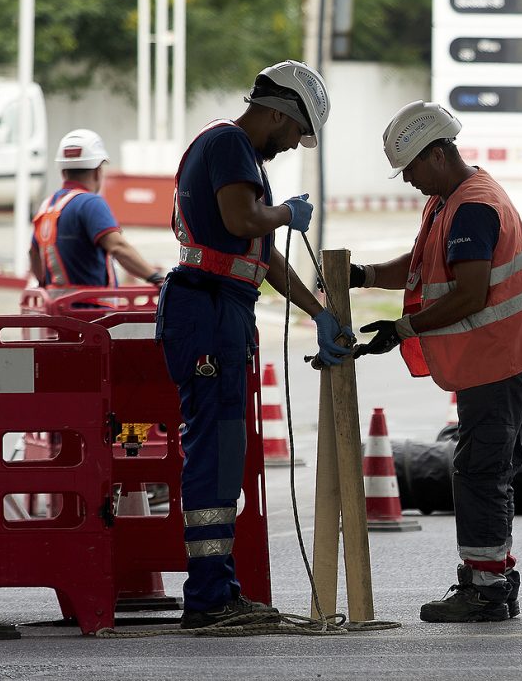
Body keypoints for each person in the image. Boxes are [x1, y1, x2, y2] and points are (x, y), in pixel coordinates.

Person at [155, 60, 352, 629]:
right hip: (209, 311)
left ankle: (218, 590)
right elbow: (244, 221)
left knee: (222, 452)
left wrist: (319, 312)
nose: (292, 145)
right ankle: (209, 597)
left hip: (220, 308)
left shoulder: (235, 153)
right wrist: (285, 212)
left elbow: (260, 257)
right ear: (278, 113)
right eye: (295, 132)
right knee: (214, 452)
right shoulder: (230, 144)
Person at [351, 101, 522, 623]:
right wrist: (365, 276)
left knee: (480, 471)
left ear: (437, 154)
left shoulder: (472, 207)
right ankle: (494, 578)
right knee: (489, 468)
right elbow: (422, 266)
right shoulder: (450, 201)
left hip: (499, 357)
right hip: (498, 355)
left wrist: (403, 329)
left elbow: (468, 293)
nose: (409, 180)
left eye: (411, 168)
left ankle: (485, 590)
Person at [29, 129, 165, 289]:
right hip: (92, 303)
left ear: (63, 171)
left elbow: (33, 253)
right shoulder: (90, 203)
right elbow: (118, 247)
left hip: (55, 301)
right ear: (97, 171)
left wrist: (44, 285)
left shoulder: (47, 206)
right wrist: (156, 278)